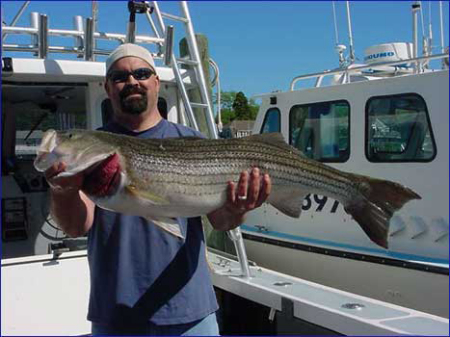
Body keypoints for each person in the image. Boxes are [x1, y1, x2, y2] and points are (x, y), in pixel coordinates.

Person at [43, 43, 272, 336]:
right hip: (116, 315)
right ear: (107, 87)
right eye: (120, 77)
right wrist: (62, 192)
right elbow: (76, 226)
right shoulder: (93, 150)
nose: (132, 82)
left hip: (191, 314)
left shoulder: (193, 141)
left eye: (141, 73)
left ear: (156, 82)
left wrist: (238, 209)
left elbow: (220, 221)